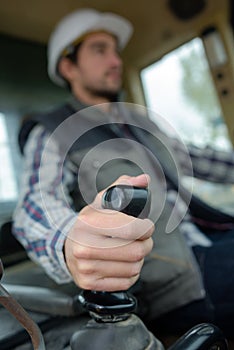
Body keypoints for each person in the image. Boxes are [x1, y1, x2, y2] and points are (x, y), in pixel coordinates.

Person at [13, 8, 234, 337]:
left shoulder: (143, 124)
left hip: (209, 239)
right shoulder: (53, 132)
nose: (115, 61)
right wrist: (70, 242)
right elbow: (34, 205)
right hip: (177, 282)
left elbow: (197, 159)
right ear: (68, 66)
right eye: (100, 50)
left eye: (116, 51)